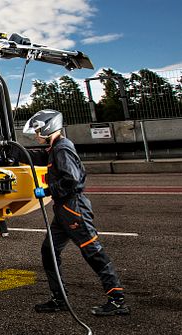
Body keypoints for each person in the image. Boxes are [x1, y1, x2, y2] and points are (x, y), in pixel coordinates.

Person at [17, 109, 129, 316]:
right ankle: (59, 299)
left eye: (38, 130)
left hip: (73, 208)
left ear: (49, 127)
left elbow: (72, 180)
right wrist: (12, 151)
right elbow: (38, 156)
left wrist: (48, 190)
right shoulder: (55, 148)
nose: (36, 134)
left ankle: (117, 300)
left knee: (93, 252)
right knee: (49, 252)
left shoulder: (62, 149)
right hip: (63, 210)